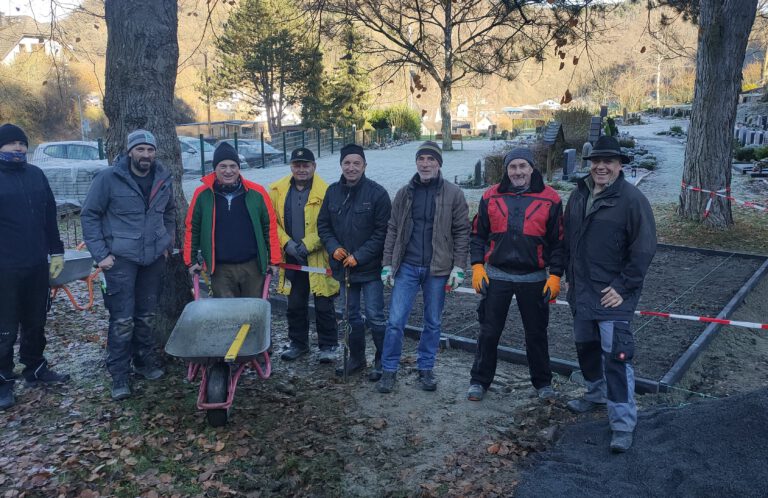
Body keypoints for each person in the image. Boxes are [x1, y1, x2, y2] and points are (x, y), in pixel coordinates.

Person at [563, 135, 656, 453]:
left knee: (616, 357)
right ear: (590, 165)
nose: (601, 167)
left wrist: (623, 286)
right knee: (586, 348)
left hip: (612, 296)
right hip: (582, 292)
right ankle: (595, 394)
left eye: (609, 162)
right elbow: (569, 241)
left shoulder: (632, 200)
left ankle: (622, 423)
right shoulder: (578, 195)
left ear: (619, 166)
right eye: (596, 161)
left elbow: (643, 249)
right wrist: (567, 278)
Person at [81, 129, 175, 401]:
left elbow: (169, 212)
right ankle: (119, 374)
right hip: (119, 260)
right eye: (140, 149)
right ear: (130, 151)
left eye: (150, 150)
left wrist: (166, 242)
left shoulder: (162, 178)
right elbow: (90, 215)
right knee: (122, 319)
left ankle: (144, 363)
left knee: (146, 316)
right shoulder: (109, 178)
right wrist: (101, 254)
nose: (146, 155)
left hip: (152, 259)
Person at [467, 147, 564, 402]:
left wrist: (555, 275)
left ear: (532, 168)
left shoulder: (551, 199)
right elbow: (477, 235)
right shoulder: (490, 197)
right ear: (506, 170)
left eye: (523, 166)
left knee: (536, 334)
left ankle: (543, 383)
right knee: (488, 332)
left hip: (534, 278)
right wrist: (477, 266)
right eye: (513, 167)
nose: (518, 171)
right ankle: (479, 380)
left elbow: (558, 242)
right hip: (496, 276)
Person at [376, 141, 470, 393]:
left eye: (431, 159)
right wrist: (387, 264)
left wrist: (459, 267)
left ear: (439, 164)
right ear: (416, 162)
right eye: (421, 159)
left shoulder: (454, 194)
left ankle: (425, 368)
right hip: (406, 266)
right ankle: (389, 370)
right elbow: (393, 229)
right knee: (395, 321)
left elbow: (462, 231)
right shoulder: (405, 193)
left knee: (432, 322)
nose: (425, 164)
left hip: (437, 270)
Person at [0, 123, 70, 410]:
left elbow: (49, 216)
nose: (18, 148)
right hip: (5, 268)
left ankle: (35, 367)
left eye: (22, 144)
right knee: (5, 327)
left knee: (35, 321)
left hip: (36, 264)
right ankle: (3, 379)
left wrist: (56, 251)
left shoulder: (36, 175)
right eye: (11, 144)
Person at [318, 143, 391, 379]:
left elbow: (383, 232)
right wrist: (333, 247)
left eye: (356, 163)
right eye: (347, 163)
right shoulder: (332, 192)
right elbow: (324, 226)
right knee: (349, 315)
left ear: (364, 165)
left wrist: (359, 256)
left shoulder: (377, 194)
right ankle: (356, 358)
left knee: (375, 315)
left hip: (369, 269)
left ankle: (382, 360)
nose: (351, 168)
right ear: (341, 165)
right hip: (344, 270)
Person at [269, 148, 339, 363]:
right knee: (295, 303)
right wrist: (287, 244)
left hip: (318, 258)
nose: (301, 169)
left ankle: (328, 346)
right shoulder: (277, 190)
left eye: (305, 165)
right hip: (292, 260)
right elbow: (272, 223)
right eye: (297, 165)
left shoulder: (327, 191)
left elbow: (330, 225)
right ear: (291, 166)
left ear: (314, 167)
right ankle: (298, 344)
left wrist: (308, 245)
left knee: (323, 303)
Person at [184, 142, 280, 298]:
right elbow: (192, 228)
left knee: (253, 311)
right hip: (220, 268)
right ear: (215, 168)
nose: (228, 171)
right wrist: (191, 260)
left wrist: (274, 260)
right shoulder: (202, 195)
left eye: (233, 166)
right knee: (226, 315)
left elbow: (269, 227)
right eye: (223, 166)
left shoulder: (257, 193)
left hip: (252, 266)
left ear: (238, 168)